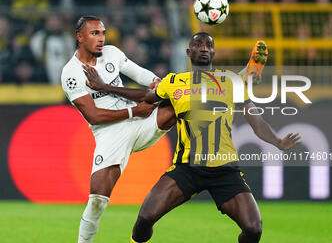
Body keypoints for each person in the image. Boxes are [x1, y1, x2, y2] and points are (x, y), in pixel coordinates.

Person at [83, 32, 301, 243]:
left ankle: (249, 72)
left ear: (214, 52)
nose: (204, 48)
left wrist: (278, 142)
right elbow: (145, 96)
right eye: (198, 44)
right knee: (145, 218)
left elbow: (257, 122)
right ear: (189, 52)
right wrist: (105, 87)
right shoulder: (175, 81)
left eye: (208, 45)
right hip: (187, 168)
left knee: (253, 228)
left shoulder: (230, 82)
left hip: (225, 169)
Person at [61, 15, 176, 243]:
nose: (101, 38)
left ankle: (193, 159)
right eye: (95, 33)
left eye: (103, 33)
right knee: (97, 200)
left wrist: (156, 81)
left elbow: (139, 73)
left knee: (176, 103)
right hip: (109, 133)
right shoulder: (71, 73)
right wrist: (134, 112)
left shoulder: (112, 53)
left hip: (138, 121)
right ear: (80, 37)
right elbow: (93, 116)